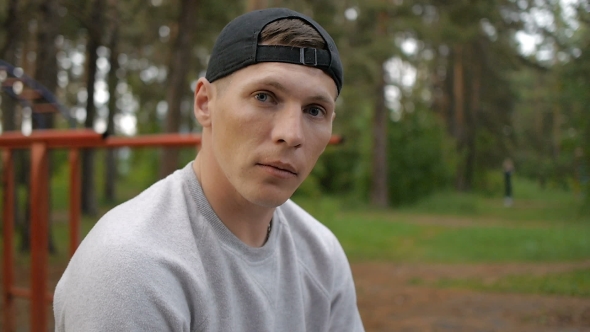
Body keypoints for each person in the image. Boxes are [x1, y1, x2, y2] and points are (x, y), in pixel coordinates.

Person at [54, 7, 364, 332]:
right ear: (204, 103)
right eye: (264, 97)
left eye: (314, 110)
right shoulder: (131, 265)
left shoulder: (321, 256)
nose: (292, 134)